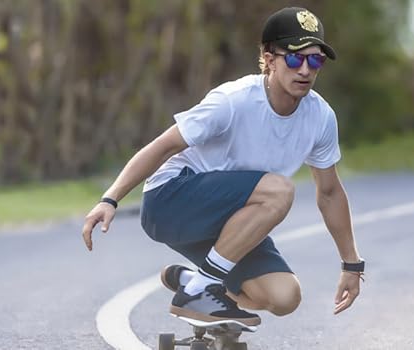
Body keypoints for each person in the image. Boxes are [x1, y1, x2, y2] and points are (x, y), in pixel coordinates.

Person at [81, 7, 364, 326]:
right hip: (170, 202)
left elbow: (329, 193)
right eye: (295, 58)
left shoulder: (320, 118)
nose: (306, 70)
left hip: (231, 222)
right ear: (269, 59)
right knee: (279, 190)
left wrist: (351, 264)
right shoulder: (234, 100)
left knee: (285, 297)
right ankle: (203, 288)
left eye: (316, 60)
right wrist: (110, 198)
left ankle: (195, 282)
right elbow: (163, 146)